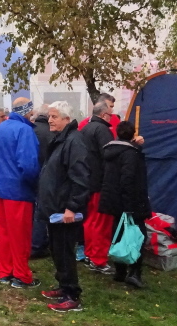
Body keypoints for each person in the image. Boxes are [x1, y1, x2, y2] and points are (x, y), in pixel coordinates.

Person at [37, 101, 89, 312]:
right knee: (57, 249)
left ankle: (72, 295)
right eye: (49, 116)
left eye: (54, 117)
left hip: (65, 210)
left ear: (67, 119)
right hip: (55, 208)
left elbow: (81, 178)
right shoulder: (61, 139)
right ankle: (63, 285)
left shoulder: (74, 141)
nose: (50, 120)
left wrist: (72, 207)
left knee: (65, 252)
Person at [0, 97, 41, 288]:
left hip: (1, 188)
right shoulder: (25, 130)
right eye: (31, 110)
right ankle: (21, 276)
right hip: (19, 191)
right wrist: (35, 184)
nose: (33, 114)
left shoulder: (2, 127)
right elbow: (29, 165)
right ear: (27, 111)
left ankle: (4, 271)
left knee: (4, 234)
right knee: (20, 236)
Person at [100, 121, 151, 288]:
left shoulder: (110, 151)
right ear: (133, 134)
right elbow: (128, 179)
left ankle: (120, 271)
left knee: (119, 234)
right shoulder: (131, 153)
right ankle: (135, 272)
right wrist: (130, 206)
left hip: (114, 201)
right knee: (138, 236)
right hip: (131, 202)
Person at [81, 102, 117, 274]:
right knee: (101, 223)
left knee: (90, 221)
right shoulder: (103, 130)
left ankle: (90, 254)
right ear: (103, 115)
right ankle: (99, 260)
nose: (112, 117)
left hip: (87, 181)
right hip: (101, 182)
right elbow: (109, 155)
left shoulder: (85, 128)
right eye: (110, 114)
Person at [31, 104, 53, 259]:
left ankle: (35, 242)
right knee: (41, 211)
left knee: (34, 210)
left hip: (32, 173)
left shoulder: (32, 129)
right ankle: (38, 243)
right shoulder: (50, 132)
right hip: (46, 174)